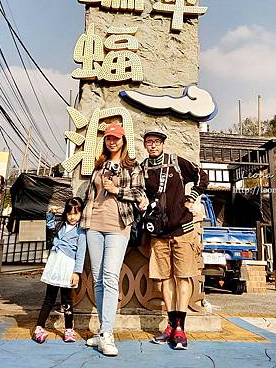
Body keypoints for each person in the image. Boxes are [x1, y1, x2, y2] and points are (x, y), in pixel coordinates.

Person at [82, 123, 147, 357]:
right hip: (94, 225)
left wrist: (117, 189)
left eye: (116, 138)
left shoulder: (132, 166)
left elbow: (140, 194)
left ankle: (108, 333)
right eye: (109, 138)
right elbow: (91, 194)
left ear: (123, 141)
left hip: (118, 225)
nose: (112, 141)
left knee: (110, 276)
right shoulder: (99, 165)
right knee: (98, 279)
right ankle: (102, 331)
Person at [140, 129, 208, 351]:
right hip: (159, 234)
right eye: (149, 142)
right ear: (144, 145)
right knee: (164, 279)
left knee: (183, 277)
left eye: (157, 142)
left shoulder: (176, 162)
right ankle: (171, 325)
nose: (153, 146)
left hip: (183, 230)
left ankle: (181, 327)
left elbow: (202, 176)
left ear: (163, 144)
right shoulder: (143, 169)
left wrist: (193, 197)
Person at [32, 197, 86, 344]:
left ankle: (69, 329)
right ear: (65, 214)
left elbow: (81, 253)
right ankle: (39, 327)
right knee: (49, 298)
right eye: (69, 214)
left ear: (81, 213)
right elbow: (49, 225)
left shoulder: (81, 231)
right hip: (55, 264)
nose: (72, 217)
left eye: (76, 213)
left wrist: (77, 272)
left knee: (67, 300)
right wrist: (50, 213)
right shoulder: (60, 225)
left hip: (68, 266)